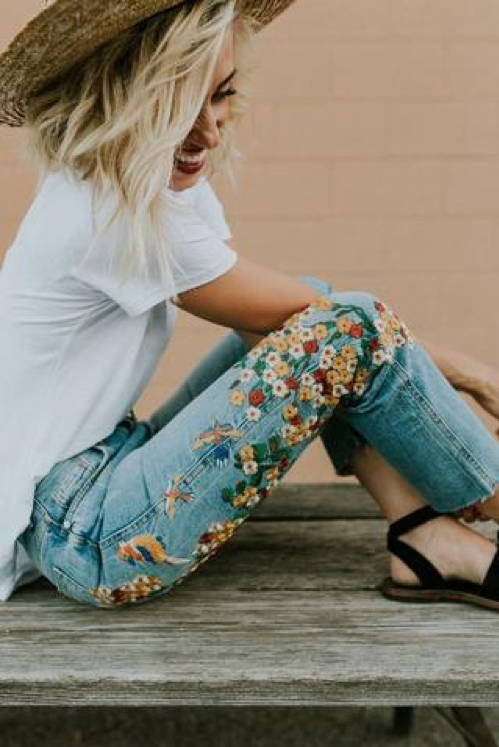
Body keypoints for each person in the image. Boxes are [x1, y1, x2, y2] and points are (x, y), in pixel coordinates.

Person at [1, 0, 499, 610]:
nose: (208, 131)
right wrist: (478, 378)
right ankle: (491, 496)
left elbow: (299, 322)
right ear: (121, 98)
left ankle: (425, 538)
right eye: (177, 104)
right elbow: (340, 329)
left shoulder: (152, 186)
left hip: (112, 465)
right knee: (338, 326)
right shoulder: (103, 212)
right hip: (82, 533)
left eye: (220, 95)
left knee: (317, 317)